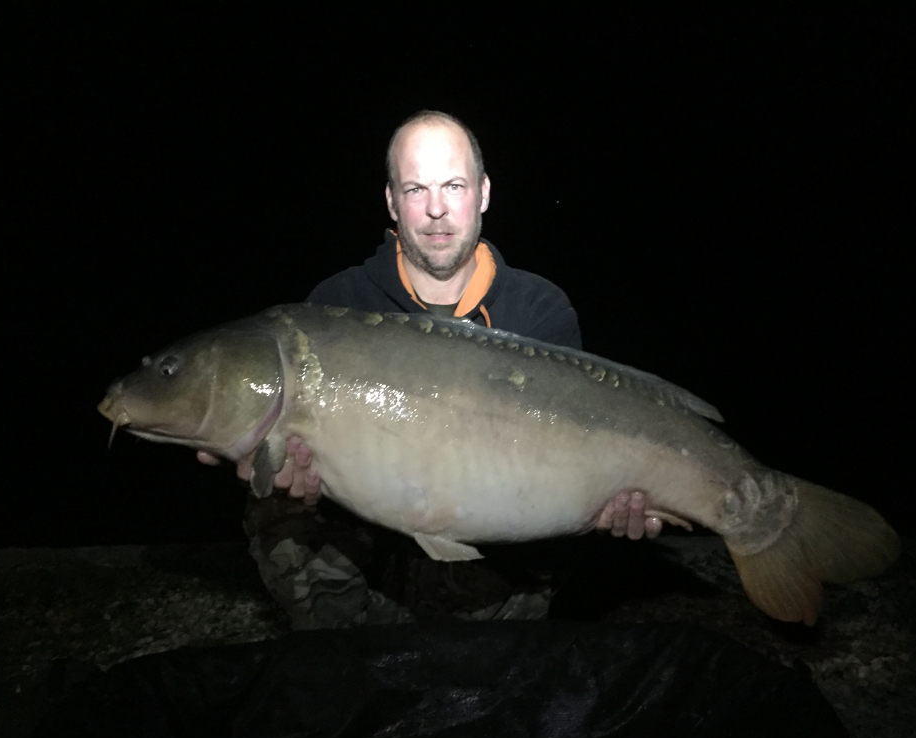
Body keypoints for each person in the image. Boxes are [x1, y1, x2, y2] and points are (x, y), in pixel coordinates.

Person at [201, 111, 661, 627]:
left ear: (483, 193)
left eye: (453, 186)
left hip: (494, 536)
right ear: (391, 201)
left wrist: (603, 500)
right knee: (273, 507)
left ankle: (480, 648)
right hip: (370, 539)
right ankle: (347, 645)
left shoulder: (538, 309)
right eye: (416, 189)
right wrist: (284, 473)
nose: (436, 209)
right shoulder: (338, 303)